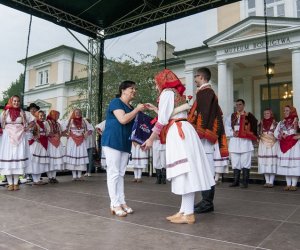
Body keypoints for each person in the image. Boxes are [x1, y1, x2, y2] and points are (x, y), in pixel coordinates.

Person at [142, 69, 215, 225]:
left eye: (156, 82)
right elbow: (170, 113)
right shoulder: (173, 92)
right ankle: (184, 210)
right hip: (182, 129)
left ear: (162, 81)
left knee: (185, 171)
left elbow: (162, 120)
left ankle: (188, 213)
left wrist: (150, 139)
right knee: (185, 171)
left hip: (179, 131)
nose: (156, 86)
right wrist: (156, 109)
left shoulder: (167, 93)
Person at [188, 67, 228, 214]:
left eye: (196, 76)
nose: (194, 79)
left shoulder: (205, 92)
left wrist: (199, 132)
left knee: (207, 169)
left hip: (204, 136)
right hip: (205, 136)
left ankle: (207, 203)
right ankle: (206, 201)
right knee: (205, 169)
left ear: (202, 77)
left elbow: (203, 114)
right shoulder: (206, 92)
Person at [101, 80, 145, 217]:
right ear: (123, 90)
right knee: (113, 173)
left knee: (120, 174)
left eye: (135, 89)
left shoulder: (131, 108)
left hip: (124, 143)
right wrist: (137, 109)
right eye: (132, 88)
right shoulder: (116, 102)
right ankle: (114, 203)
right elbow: (123, 119)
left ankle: (122, 201)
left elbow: (133, 126)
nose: (134, 91)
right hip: (112, 141)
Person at [0, 95, 33, 190]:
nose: (16, 103)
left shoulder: (23, 112)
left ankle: (16, 183)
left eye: (18, 101)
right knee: (9, 158)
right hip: (8, 137)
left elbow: (33, 121)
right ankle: (10, 183)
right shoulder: (5, 113)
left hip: (20, 136)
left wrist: (27, 127)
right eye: (14, 101)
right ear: (11, 101)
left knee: (18, 157)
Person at [225, 99, 258, 188]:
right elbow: (227, 126)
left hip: (245, 142)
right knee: (235, 162)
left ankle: (245, 182)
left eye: (240, 104)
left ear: (244, 105)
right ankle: (236, 181)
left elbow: (254, 126)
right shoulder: (231, 116)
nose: (238, 106)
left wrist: (248, 133)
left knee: (245, 162)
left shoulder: (249, 116)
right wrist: (232, 133)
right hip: (235, 141)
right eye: (237, 105)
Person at [274, 106, 300, 191]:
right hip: (284, 144)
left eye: (287, 110)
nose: (285, 112)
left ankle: (294, 184)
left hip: (294, 145)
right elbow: (275, 132)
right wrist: (280, 135)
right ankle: (288, 184)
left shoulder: (297, 121)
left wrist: (299, 136)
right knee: (286, 165)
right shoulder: (281, 122)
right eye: (284, 110)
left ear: (292, 111)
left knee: (293, 164)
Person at [64, 109, 92, 181]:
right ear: (74, 113)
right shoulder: (70, 121)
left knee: (80, 156)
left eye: (79, 112)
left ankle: (79, 176)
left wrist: (86, 134)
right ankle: (74, 176)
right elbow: (63, 129)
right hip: (72, 141)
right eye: (76, 112)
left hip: (81, 140)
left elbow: (91, 129)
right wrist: (67, 134)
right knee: (74, 156)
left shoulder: (84, 121)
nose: (78, 114)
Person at [26, 110, 49, 185]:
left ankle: (38, 179)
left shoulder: (43, 124)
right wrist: (34, 138)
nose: (42, 117)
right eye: (40, 116)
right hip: (35, 145)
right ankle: (35, 180)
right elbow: (28, 133)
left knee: (40, 162)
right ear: (36, 116)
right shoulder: (34, 124)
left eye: (43, 115)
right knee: (35, 162)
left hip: (42, 145)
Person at [258, 109, 278, 187]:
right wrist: (259, 136)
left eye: (268, 113)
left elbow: (278, 133)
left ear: (271, 114)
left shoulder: (275, 123)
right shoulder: (261, 123)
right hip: (263, 143)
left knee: (271, 161)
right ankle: (267, 181)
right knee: (265, 162)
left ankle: (271, 182)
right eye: (264, 113)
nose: (266, 115)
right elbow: (258, 132)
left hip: (272, 144)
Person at [45, 110, 65, 183]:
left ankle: (54, 176)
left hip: (57, 142)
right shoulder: (46, 122)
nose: (57, 117)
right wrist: (51, 134)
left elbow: (62, 132)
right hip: (50, 143)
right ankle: (50, 177)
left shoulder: (58, 124)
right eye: (56, 115)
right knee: (50, 160)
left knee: (56, 161)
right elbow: (45, 132)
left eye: (58, 116)